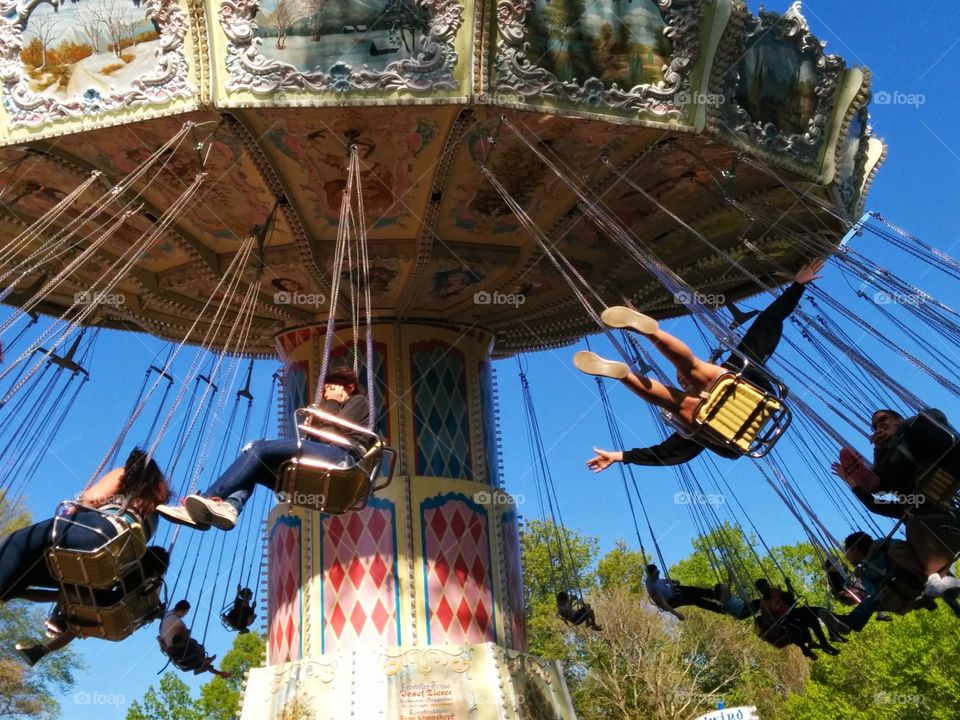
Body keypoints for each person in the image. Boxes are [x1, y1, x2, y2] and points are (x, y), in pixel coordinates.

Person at [580, 260, 823, 473]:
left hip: (735, 410)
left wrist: (797, 287)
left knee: (676, 399)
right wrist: (797, 287)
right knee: (691, 375)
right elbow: (767, 323)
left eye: (682, 381)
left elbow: (669, 455)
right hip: (743, 408)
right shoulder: (729, 371)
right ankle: (637, 355)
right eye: (682, 382)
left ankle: (627, 372)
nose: (683, 382)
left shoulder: (729, 372)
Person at [159, 365, 375, 531]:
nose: (327, 394)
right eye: (326, 391)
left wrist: (332, 405)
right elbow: (319, 445)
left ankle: (210, 496)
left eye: (331, 389)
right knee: (258, 463)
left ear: (349, 387)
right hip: (323, 468)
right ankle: (230, 506)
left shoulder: (358, 402)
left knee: (259, 448)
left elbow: (335, 438)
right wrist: (313, 428)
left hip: (344, 460)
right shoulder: (332, 410)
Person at [0, 448, 169, 603]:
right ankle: (9, 589)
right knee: (28, 573)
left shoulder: (126, 474)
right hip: (115, 559)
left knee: (19, 541)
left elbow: (93, 498)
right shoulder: (154, 511)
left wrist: (76, 505)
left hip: (99, 531)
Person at [834, 438, 960, 599]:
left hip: (946, 522)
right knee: (898, 550)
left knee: (913, 524)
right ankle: (936, 580)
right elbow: (874, 505)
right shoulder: (906, 506)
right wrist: (849, 480)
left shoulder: (919, 493)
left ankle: (938, 579)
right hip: (930, 537)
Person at [14, 545, 171, 667]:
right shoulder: (151, 584)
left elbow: (110, 583)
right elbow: (149, 610)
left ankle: (14, 592)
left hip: (107, 603)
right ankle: (40, 652)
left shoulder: (135, 568)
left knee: (64, 592)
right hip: (110, 614)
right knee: (76, 628)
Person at [753, 578, 846, 659]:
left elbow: (791, 596)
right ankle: (816, 644)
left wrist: (788, 585)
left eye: (767, 585)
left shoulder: (776, 592)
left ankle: (830, 636)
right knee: (804, 624)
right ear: (761, 590)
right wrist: (772, 626)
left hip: (794, 611)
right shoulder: (764, 604)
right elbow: (766, 618)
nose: (768, 588)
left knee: (815, 614)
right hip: (785, 619)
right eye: (765, 587)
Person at [159, 600, 230, 678]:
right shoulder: (178, 623)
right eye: (185, 613)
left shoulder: (168, 614)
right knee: (195, 646)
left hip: (172, 648)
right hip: (179, 653)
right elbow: (184, 636)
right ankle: (205, 663)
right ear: (182, 611)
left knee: (195, 645)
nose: (185, 615)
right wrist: (187, 633)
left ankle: (209, 666)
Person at [644, 564, 725, 620]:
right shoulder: (654, 589)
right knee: (695, 600)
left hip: (675, 591)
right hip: (672, 601)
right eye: (656, 573)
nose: (658, 575)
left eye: (658, 572)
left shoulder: (654, 580)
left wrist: (673, 581)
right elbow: (664, 604)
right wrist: (677, 614)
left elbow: (662, 581)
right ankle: (719, 609)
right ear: (650, 575)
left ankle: (714, 595)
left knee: (694, 590)